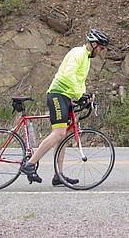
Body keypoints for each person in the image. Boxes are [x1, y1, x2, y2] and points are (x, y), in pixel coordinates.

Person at [21, 29, 110, 186]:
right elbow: (69, 75)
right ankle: (30, 164)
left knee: (63, 137)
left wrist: (85, 97)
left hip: (66, 96)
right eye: (101, 48)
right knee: (59, 133)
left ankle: (58, 175)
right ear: (94, 44)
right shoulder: (78, 53)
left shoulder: (87, 59)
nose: (102, 51)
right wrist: (79, 94)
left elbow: (79, 81)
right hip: (57, 94)